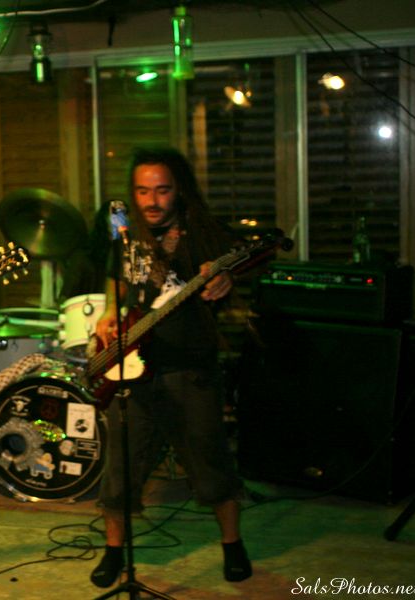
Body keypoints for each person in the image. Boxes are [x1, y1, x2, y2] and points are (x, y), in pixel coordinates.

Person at [89, 147, 252, 587]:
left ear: (179, 189)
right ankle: (113, 552)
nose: (152, 201)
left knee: (210, 460)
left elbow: (235, 267)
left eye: (162, 190)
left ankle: (233, 544)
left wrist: (225, 277)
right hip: (133, 366)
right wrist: (110, 311)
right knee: (121, 467)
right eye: (143, 191)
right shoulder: (125, 231)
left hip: (189, 365)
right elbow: (117, 278)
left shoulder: (201, 231)